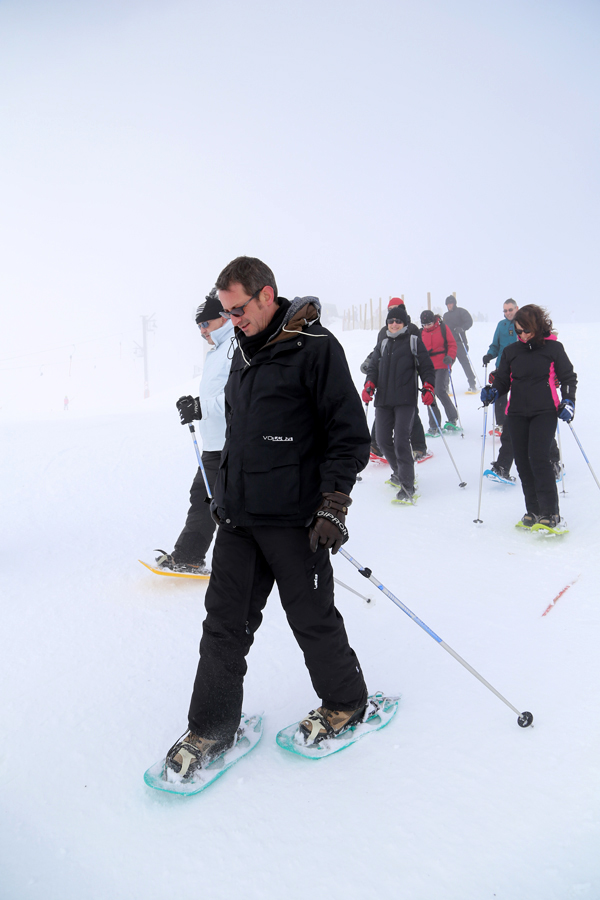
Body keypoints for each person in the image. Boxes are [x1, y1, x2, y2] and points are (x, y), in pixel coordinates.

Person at [162, 256, 371, 780]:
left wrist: (333, 505)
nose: (233, 320)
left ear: (266, 294)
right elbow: (241, 431)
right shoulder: (240, 352)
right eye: (227, 313)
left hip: (297, 521)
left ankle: (345, 701)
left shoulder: (317, 349)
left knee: (311, 619)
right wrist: (225, 492)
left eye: (239, 310)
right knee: (223, 626)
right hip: (239, 519)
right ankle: (211, 726)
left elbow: (348, 435)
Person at [155, 288, 234, 575]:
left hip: (234, 442)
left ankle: (192, 555)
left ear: (225, 317)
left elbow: (239, 396)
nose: (202, 330)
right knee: (203, 495)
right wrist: (193, 405)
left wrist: (201, 407)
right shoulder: (216, 353)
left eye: (206, 323)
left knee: (217, 499)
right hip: (214, 442)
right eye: (199, 325)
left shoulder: (237, 348)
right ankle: (188, 556)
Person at [480, 304, 576, 531]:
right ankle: (533, 510)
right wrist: (493, 390)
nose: (522, 335)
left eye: (526, 331)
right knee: (522, 463)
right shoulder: (512, 351)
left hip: (544, 412)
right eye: (519, 331)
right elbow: (503, 380)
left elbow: (569, 377)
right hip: (516, 413)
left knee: (538, 459)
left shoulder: (553, 349)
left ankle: (550, 512)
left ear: (537, 326)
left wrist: (569, 401)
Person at [482, 299, 561, 482]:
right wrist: (491, 357)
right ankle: (502, 466)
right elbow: (496, 346)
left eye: (510, 310)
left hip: (537, 386)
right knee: (510, 424)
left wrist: (554, 375)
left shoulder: (528, 324)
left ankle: (553, 461)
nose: (507, 313)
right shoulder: (501, 326)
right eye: (505, 310)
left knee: (541, 430)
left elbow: (548, 356)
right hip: (508, 374)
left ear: (516, 309)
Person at [362, 306, 435, 503]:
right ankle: (399, 471)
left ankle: (407, 485)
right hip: (384, 400)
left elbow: (427, 366)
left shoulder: (413, 341)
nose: (394, 324)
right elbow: (373, 367)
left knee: (402, 440)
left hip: (405, 400)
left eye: (398, 321)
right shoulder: (383, 343)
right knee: (382, 439)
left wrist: (429, 386)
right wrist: (369, 384)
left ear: (405, 323)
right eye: (391, 321)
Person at [419, 310, 460, 434]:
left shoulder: (443, 328)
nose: (426, 327)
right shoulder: (421, 333)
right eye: (424, 325)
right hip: (427, 367)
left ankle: (452, 418)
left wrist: (450, 357)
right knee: (429, 393)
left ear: (434, 321)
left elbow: (452, 345)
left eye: (429, 324)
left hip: (442, 363)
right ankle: (434, 425)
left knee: (440, 391)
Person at [443, 295, 477, 392]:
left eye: (451, 303)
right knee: (447, 364)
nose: (449, 305)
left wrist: (462, 328)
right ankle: (445, 386)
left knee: (465, 363)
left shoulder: (461, 312)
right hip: (449, 344)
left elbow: (469, 321)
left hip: (460, 342)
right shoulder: (445, 316)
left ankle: (472, 383)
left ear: (454, 303)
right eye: (448, 304)